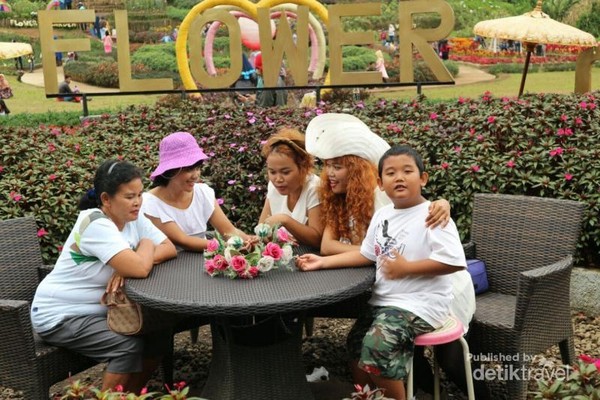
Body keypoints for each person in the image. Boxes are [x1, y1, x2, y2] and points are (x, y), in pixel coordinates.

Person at [296, 145, 467, 400]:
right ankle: (370, 396)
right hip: (385, 302)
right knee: (355, 344)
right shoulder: (383, 216)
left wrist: (406, 268)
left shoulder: (433, 215)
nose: (399, 177)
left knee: (377, 346)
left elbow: (453, 261)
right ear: (380, 182)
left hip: (420, 304)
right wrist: (321, 262)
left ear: (423, 178)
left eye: (407, 171)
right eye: (391, 173)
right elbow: (367, 254)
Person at [30, 160, 177, 393]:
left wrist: (127, 263)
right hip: (61, 314)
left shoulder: (133, 216)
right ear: (107, 199)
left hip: (99, 310)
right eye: (129, 196)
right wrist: (145, 246)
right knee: (126, 346)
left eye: (140, 194)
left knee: (159, 332)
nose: (138, 202)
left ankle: (130, 396)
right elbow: (140, 268)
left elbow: (168, 247)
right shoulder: (95, 223)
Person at [141, 131, 254, 251]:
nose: (195, 175)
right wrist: (224, 246)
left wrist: (248, 240)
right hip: (169, 266)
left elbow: (229, 231)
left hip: (204, 260)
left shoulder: (202, 192)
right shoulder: (150, 204)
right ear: (170, 171)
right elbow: (183, 240)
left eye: (198, 168)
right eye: (189, 170)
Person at [259, 128, 323, 248]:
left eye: (285, 172)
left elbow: (317, 239)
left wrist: (285, 220)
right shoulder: (274, 187)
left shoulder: (315, 188)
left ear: (303, 167)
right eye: (272, 172)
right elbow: (262, 227)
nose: (278, 179)